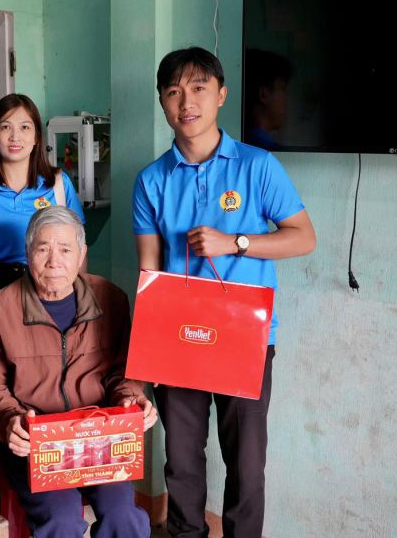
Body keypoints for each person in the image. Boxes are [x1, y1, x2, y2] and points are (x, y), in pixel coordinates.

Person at [132, 47, 316, 537]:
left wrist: (236, 241)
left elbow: (303, 236)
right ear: (163, 102)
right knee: (182, 465)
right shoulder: (151, 181)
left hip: (246, 337)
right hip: (178, 338)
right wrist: (144, 367)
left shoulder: (258, 166)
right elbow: (149, 275)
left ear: (220, 95)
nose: (185, 101)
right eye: (173, 92)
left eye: (197, 89)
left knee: (247, 465)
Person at [0, 205, 158, 538]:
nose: (54, 260)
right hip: (36, 444)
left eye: (66, 249)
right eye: (42, 249)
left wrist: (132, 401)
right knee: (61, 518)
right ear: (28, 254)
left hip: (98, 438)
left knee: (123, 516)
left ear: (82, 254)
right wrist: (11, 421)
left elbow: (122, 372)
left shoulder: (111, 299)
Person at [0, 94, 85, 332]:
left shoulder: (58, 184)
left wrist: (73, 297)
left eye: (25, 127)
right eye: (5, 127)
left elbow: (77, 250)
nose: (15, 137)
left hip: (49, 286)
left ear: (36, 137)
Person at [243, 48, 294, 151]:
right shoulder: (272, 154)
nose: (285, 98)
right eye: (282, 88)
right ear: (263, 95)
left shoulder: (235, 142)